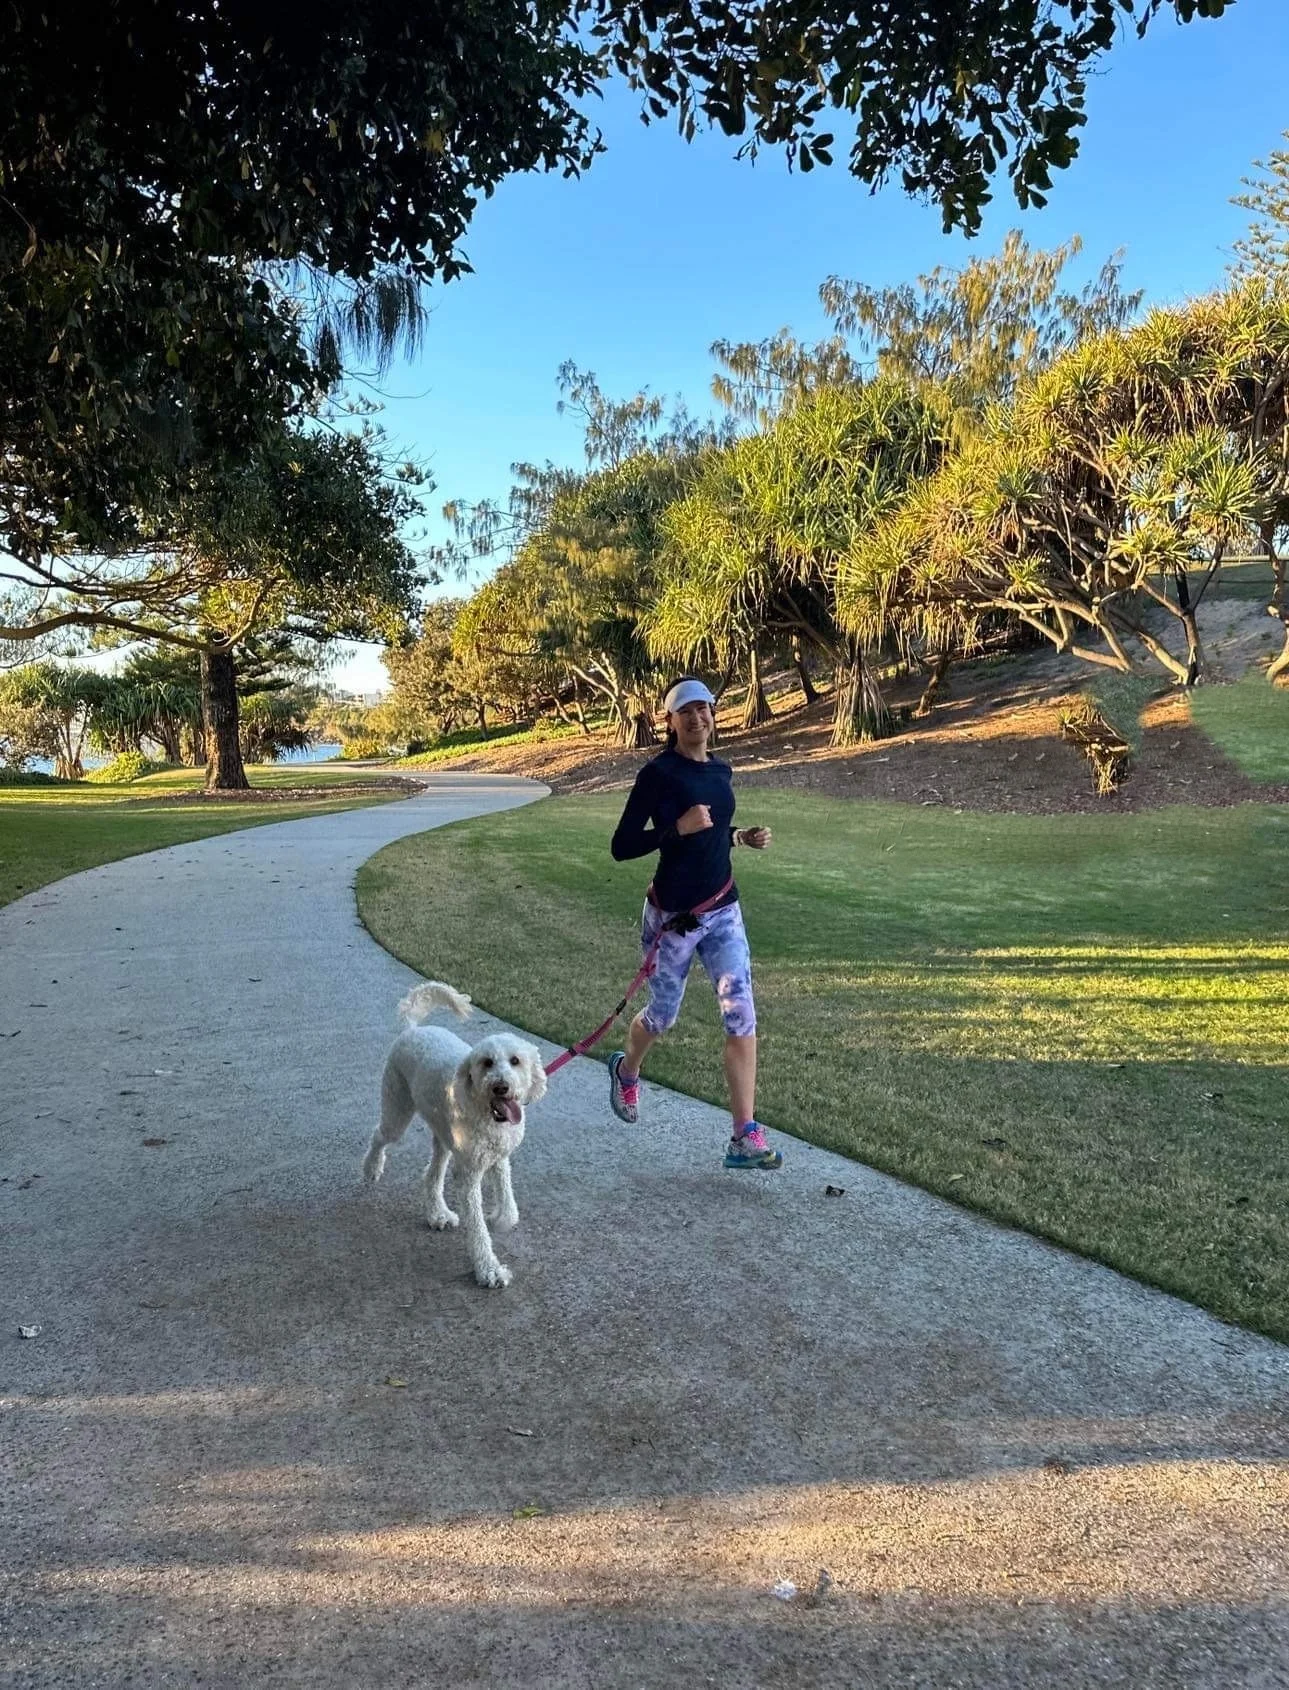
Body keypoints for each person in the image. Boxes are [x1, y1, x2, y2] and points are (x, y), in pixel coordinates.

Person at [606, 676, 783, 1170]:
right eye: (685, 711)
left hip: (723, 908)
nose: (696, 717)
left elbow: (710, 834)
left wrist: (740, 836)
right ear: (670, 720)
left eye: (703, 708)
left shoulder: (721, 770)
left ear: (712, 715)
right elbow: (622, 847)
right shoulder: (657, 774)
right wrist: (673, 829)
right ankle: (627, 1070)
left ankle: (744, 1136)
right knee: (662, 1016)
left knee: (741, 1015)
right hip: (674, 920)